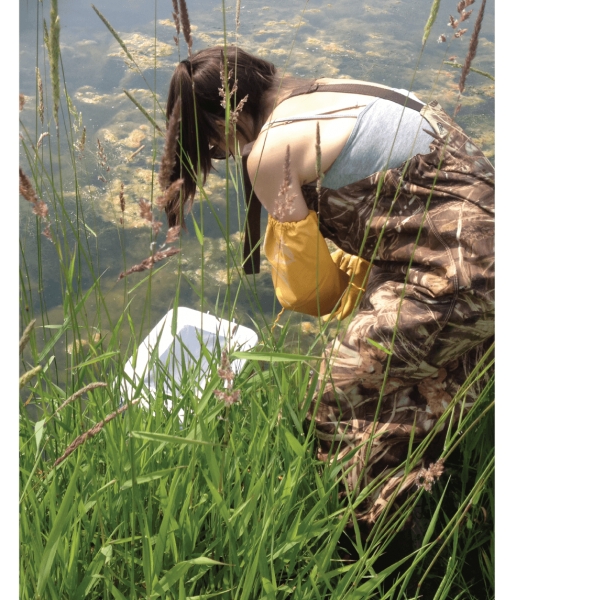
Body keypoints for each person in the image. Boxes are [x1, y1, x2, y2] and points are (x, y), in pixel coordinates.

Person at [162, 46, 495, 527]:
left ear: (222, 121)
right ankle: (444, 483)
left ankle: (377, 540)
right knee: (413, 375)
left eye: (212, 144)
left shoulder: (269, 152)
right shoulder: (329, 90)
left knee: (332, 395)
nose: (220, 153)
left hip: (459, 276)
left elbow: (311, 293)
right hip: (469, 256)